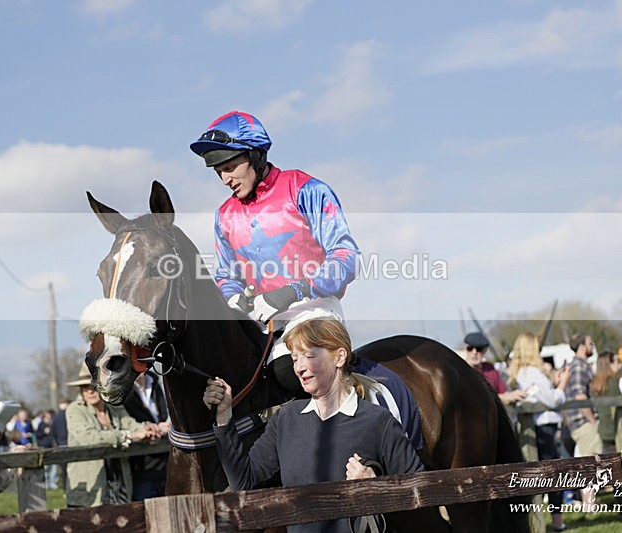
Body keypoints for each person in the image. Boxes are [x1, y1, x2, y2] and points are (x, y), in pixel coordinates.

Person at [190, 111, 360, 399]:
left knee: (290, 373)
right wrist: (233, 297)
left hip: (314, 310)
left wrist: (295, 290)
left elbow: (346, 257)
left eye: (230, 167)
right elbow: (226, 275)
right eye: (219, 172)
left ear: (256, 155)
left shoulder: (306, 189)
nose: (225, 179)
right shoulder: (224, 215)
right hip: (260, 321)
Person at [204, 318, 425, 532]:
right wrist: (224, 417)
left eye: (308, 356)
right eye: (294, 359)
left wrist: (375, 487)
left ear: (339, 357)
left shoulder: (378, 421)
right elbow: (243, 481)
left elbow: (421, 492)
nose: (299, 368)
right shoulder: (285, 419)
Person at [65, 366, 160, 507]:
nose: (90, 391)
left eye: (94, 386)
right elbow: (90, 437)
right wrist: (128, 435)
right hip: (90, 489)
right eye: (84, 387)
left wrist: (147, 428)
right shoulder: (75, 409)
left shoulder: (114, 407)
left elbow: (130, 424)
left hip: (119, 486)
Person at [507, 332, 569, 532]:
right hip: (543, 428)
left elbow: (542, 396)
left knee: (538, 475)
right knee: (552, 474)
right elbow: (553, 400)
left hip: (532, 428)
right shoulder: (531, 372)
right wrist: (563, 384)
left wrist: (554, 383)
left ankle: (539, 523)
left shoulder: (518, 372)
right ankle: (555, 522)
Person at [123, 371, 171, 501]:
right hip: (141, 471)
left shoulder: (158, 384)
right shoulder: (122, 393)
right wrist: (147, 430)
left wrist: (167, 426)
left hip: (168, 466)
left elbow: (172, 415)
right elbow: (122, 423)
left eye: (140, 361)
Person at [564, 333, 602, 458]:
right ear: (581, 347)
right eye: (590, 343)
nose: (593, 346)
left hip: (581, 423)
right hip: (585, 424)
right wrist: (592, 421)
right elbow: (580, 397)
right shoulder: (579, 366)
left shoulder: (576, 365)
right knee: (593, 462)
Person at [463, 331, 526, 406]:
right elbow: (476, 398)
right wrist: (506, 397)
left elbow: (503, 392)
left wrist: (515, 395)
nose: (474, 352)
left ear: (485, 350)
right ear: (465, 349)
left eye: (479, 349)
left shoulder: (490, 368)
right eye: (470, 348)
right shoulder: (460, 371)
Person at [35, 409, 58, 490]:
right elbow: (37, 435)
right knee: (46, 467)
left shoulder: (54, 423)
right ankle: (46, 483)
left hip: (53, 446)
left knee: (54, 467)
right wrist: (44, 432)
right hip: (44, 446)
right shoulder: (41, 424)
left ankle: (53, 483)